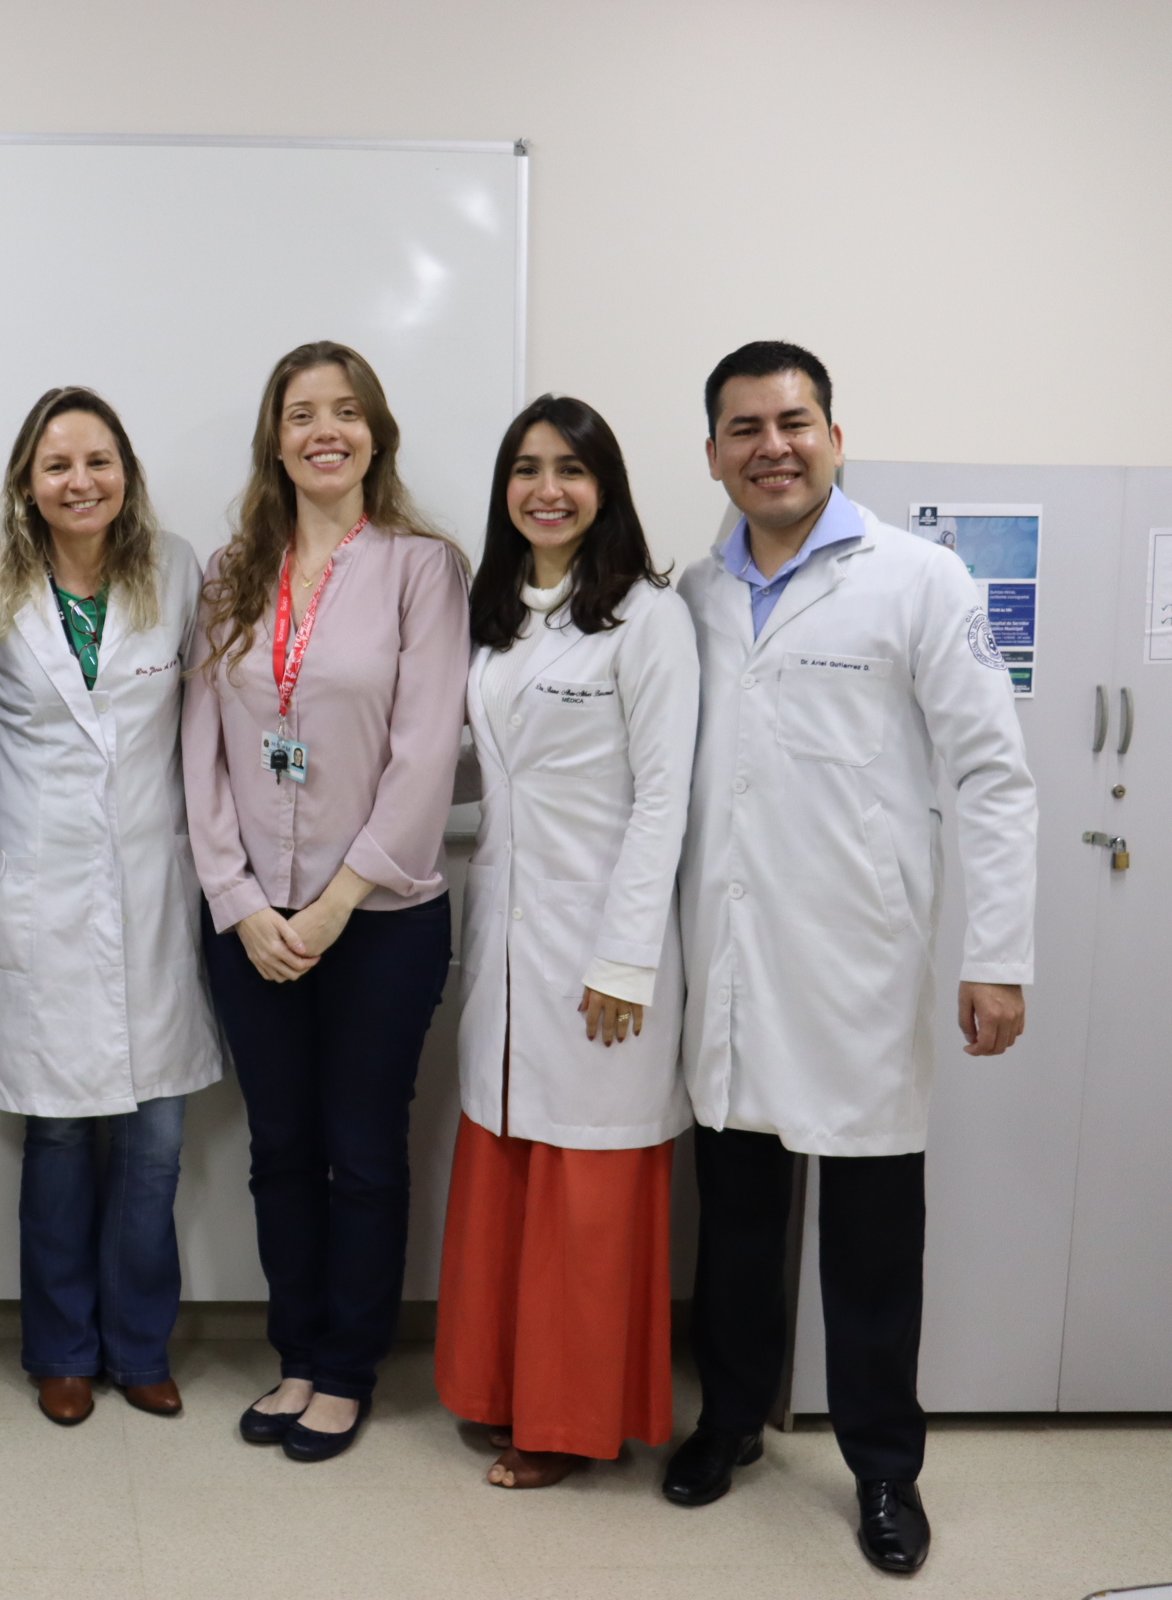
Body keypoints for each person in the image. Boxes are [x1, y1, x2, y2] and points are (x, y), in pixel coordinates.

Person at [664, 342, 1036, 1577]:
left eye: (794, 420)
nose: (771, 445)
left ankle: (884, 1470)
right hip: (728, 961)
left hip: (863, 964)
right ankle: (728, 1423)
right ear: (712, 451)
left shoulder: (921, 581)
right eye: (743, 427)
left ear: (834, 434)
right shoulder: (690, 594)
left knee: (873, 1241)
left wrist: (997, 955)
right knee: (734, 1221)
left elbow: (992, 776)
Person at [183, 340, 469, 1463]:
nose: (323, 431)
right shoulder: (227, 572)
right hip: (254, 919)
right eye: (301, 413)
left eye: (344, 411)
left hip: (381, 919)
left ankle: (349, 1368)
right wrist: (240, 899)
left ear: (375, 431)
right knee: (280, 1148)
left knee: (366, 1147)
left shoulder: (421, 568)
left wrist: (338, 900)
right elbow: (199, 751)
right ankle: (296, 1354)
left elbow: (426, 745)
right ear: (276, 437)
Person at [432, 395, 699, 1489]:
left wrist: (624, 957)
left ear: (606, 487)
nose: (548, 488)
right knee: (507, 1163)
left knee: (585, 1193)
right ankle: (498, 1389)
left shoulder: (647, 617)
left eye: (572, 470)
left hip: (602, 942)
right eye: (527, 468)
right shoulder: (499, 616)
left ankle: (566, 1419)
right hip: (505, 938)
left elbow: (663, 799)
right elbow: (479, 766)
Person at [0, 387, 223, 1426]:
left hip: (156, 891)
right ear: (28, 482)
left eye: (98, 460)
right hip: (39, 894)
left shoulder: (177, 571)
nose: (80, 481)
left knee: (157, 1142)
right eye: (58, 464)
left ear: (127, 473)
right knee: (59, 1140)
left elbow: (213, 721)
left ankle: (141, 1344)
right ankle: (62, 1348)